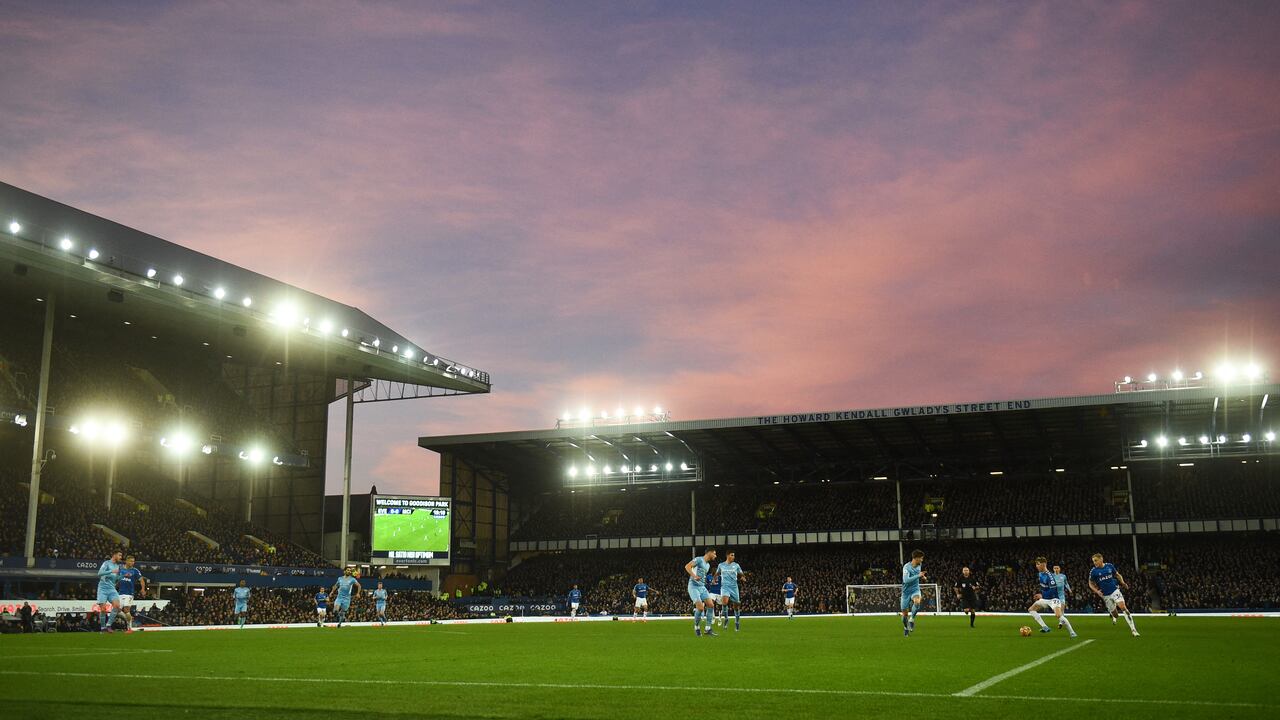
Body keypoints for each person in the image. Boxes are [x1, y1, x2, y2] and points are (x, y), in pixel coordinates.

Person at [1089, 553, 1139, 637]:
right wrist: (1097, 591)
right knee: (1116, 614)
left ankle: (1134, 630)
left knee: (1124, 608)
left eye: (1096, 560)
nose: (1094, 562)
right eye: (1093, 561)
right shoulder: (1093, 571)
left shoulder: (1109, 566)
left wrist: (1123, 583)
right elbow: (1090, 583)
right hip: (1105, 595)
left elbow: (1117, 575)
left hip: (1115, 591)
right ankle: (1113, 614)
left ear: (1101, 559)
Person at [1028, 557, 1076, 637]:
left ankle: (1072, 632)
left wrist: (1041, 595)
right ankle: (1045, 627)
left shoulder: (1049, 576)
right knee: (1031, 610)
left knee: (1058, 615)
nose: (1036, 566)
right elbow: (1044, 587)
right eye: (1036, 564)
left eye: (1038, 564)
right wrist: (1041, 595)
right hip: (1045, 598)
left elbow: (1053, 591)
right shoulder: (1040, 574)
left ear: (1043, 564)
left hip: (1053, 599)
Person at [685, 548, 718, 637]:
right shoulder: (699, 559)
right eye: (714, 554)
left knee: (711, 605)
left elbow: (703, 577)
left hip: (702, 587)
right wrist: (694, 576)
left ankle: (708, 628)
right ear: (709, 552)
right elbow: (687, 566)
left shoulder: (707, 565)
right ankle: (696, 627)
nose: (715, 556)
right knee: (700, 608)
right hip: (693, 586)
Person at [96, 550, 124, 633]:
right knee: (103, 610)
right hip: (103, 589)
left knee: (116, 605)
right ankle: (103, 628)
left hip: (112, 589)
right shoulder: (106, 563)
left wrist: (122, 575)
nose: (120, 557)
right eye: (119, 555)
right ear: (114, 555)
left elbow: (115, 579)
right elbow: (99, 573)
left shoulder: (117, 566)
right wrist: (111, 571)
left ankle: (108, 625)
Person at [117, 555, 145, 633]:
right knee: (116, 610)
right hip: (120, 593)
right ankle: (129, 618)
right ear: (126, 561)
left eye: (133, 561)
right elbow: (117, 579)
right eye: (131, 561)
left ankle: (129, 628)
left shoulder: (135, 570)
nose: (132, 563)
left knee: (126, 610)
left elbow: (141, 580)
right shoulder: (121, 569)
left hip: (129, 593)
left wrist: (143, 589)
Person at [717, 551, 744, 631]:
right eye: (732, 555)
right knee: (724, 602)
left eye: (734, 555)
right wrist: (714, 579)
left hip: (734, 587)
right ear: (728, 556)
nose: (733, 557)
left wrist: (742, 577)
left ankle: (737, 622)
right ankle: (726, 619)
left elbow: (741, 573)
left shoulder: (736, 565)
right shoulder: (721, 565)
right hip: (725, 587)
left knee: (736, 606)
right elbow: (717, 573)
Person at [901, 550, 926, 636]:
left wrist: (923, 577)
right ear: (915, 558)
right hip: (906, 592)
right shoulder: (906, 567)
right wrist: (918, 576)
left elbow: (918, 574)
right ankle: (905, 627)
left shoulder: (919, 565)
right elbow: (906, 580)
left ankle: (912, 619)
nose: (922, 560)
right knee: (904, 614)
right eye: (921, 558)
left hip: (915, 589)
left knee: (917, 601)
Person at [1052, 564, 1072, 630]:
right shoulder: (1051, 576)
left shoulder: (1063, 576)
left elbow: (1066, 583)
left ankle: (1060, 623)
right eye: (1055, 568)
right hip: (1054, 595)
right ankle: (1061, 620)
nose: (1056, 569)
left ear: (1059, 569)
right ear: (1053, 569)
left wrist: (1069, 589)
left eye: (1057, 568)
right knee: (1057, 611)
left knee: (1062, 608)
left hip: (1061, 595)